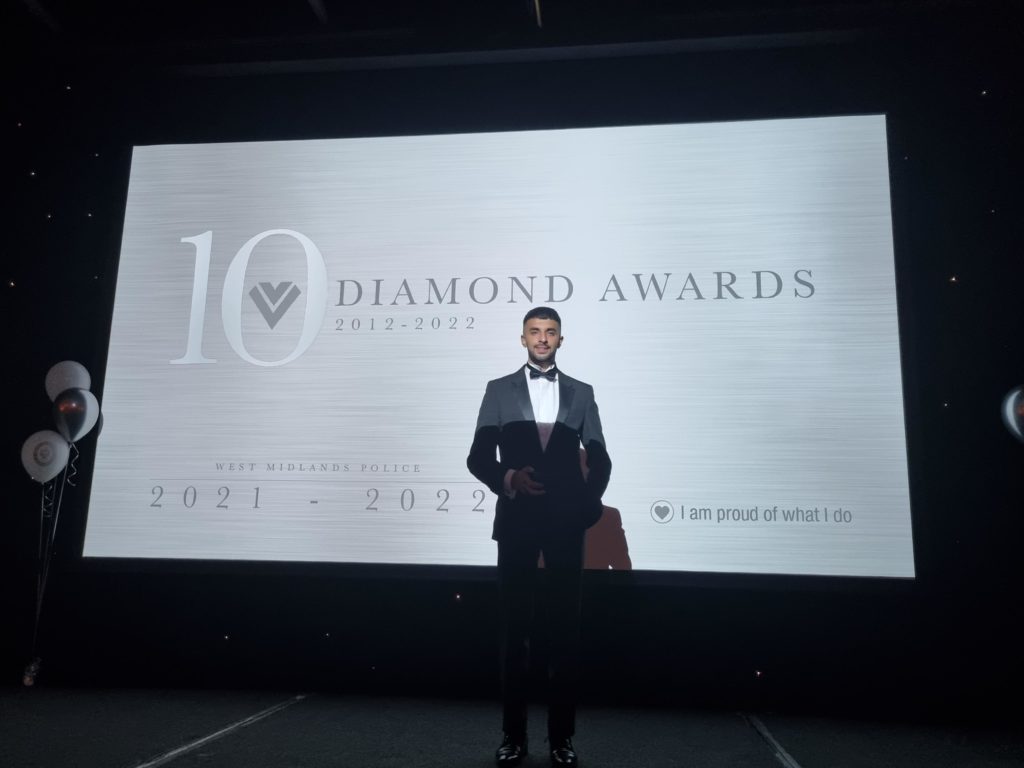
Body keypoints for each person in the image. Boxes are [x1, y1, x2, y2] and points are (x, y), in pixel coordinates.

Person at [467, 306, 612, 767]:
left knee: (564, 635)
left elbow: (602, 458)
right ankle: (513, 737)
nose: (542, 339)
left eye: (550, 332)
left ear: (561, 340)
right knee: (515, 634)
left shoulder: (582, 393)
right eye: (535, 332)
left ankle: (561, 740)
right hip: (518, 522)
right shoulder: (498, 390)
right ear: (523, 338)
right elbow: (476, 457)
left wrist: (587, 506)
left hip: (566, 526)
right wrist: (509, 478)